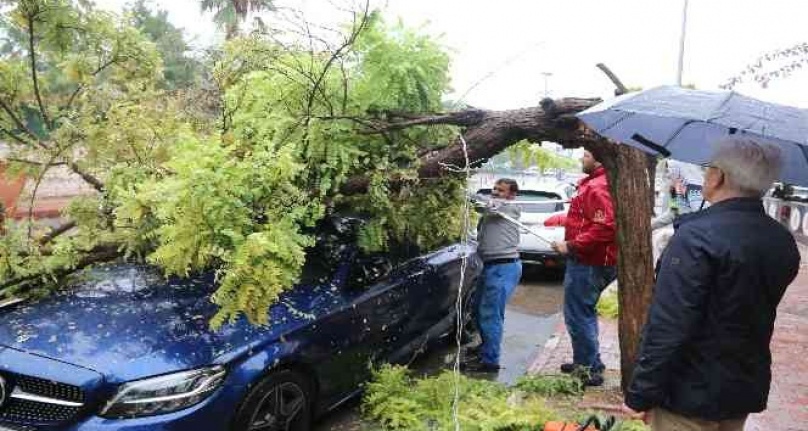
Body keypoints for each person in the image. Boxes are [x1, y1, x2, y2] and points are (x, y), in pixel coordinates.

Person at [623, 138, 801, 430]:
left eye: (708, 169)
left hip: (686, 395)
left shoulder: (695, 238)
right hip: (740, 388)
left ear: (719, 176)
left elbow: (670, 325)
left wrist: (641, 393)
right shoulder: (781, 241)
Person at [549, 150, 618, 386]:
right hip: (593, 259)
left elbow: (606, 227)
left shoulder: (597, 187)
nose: (582, 159)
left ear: (599, 158)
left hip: (589, 261)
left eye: (586, 155)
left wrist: (570, 245)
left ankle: (588, 369)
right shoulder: (597, 183)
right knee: (584, 313)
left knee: (578, 314)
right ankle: (586, 361)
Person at [462, 178, 522, 372]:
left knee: (490, 315)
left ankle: (490, 362)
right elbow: (483, 209)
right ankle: (486, 347)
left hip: (503, 268)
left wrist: (462, 193)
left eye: (501, 190)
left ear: (511, 194)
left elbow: (484, 203)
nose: (495, 192)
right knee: (479, 311)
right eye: (494, 188)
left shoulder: (510, 207)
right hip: (489, 267)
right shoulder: (492, 210)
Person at [651, 160, 707, 263]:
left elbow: (701, 218)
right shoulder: (675, 190)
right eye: (666, 172)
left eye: (668, 171)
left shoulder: (695, 190)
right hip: (683, 238)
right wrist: (650, 225)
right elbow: (673, 213)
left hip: (694, 243)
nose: (667, 175)